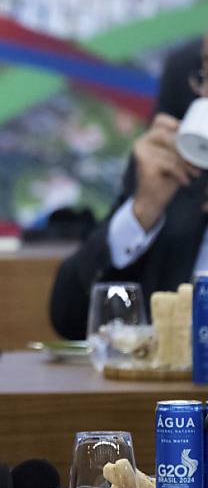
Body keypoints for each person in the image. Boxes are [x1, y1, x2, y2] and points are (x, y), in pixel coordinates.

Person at [50, 36, 208, 340]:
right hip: (171, 388)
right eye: (205, 73)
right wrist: (142, 213)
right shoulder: (181, 180)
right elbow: (70, 317)